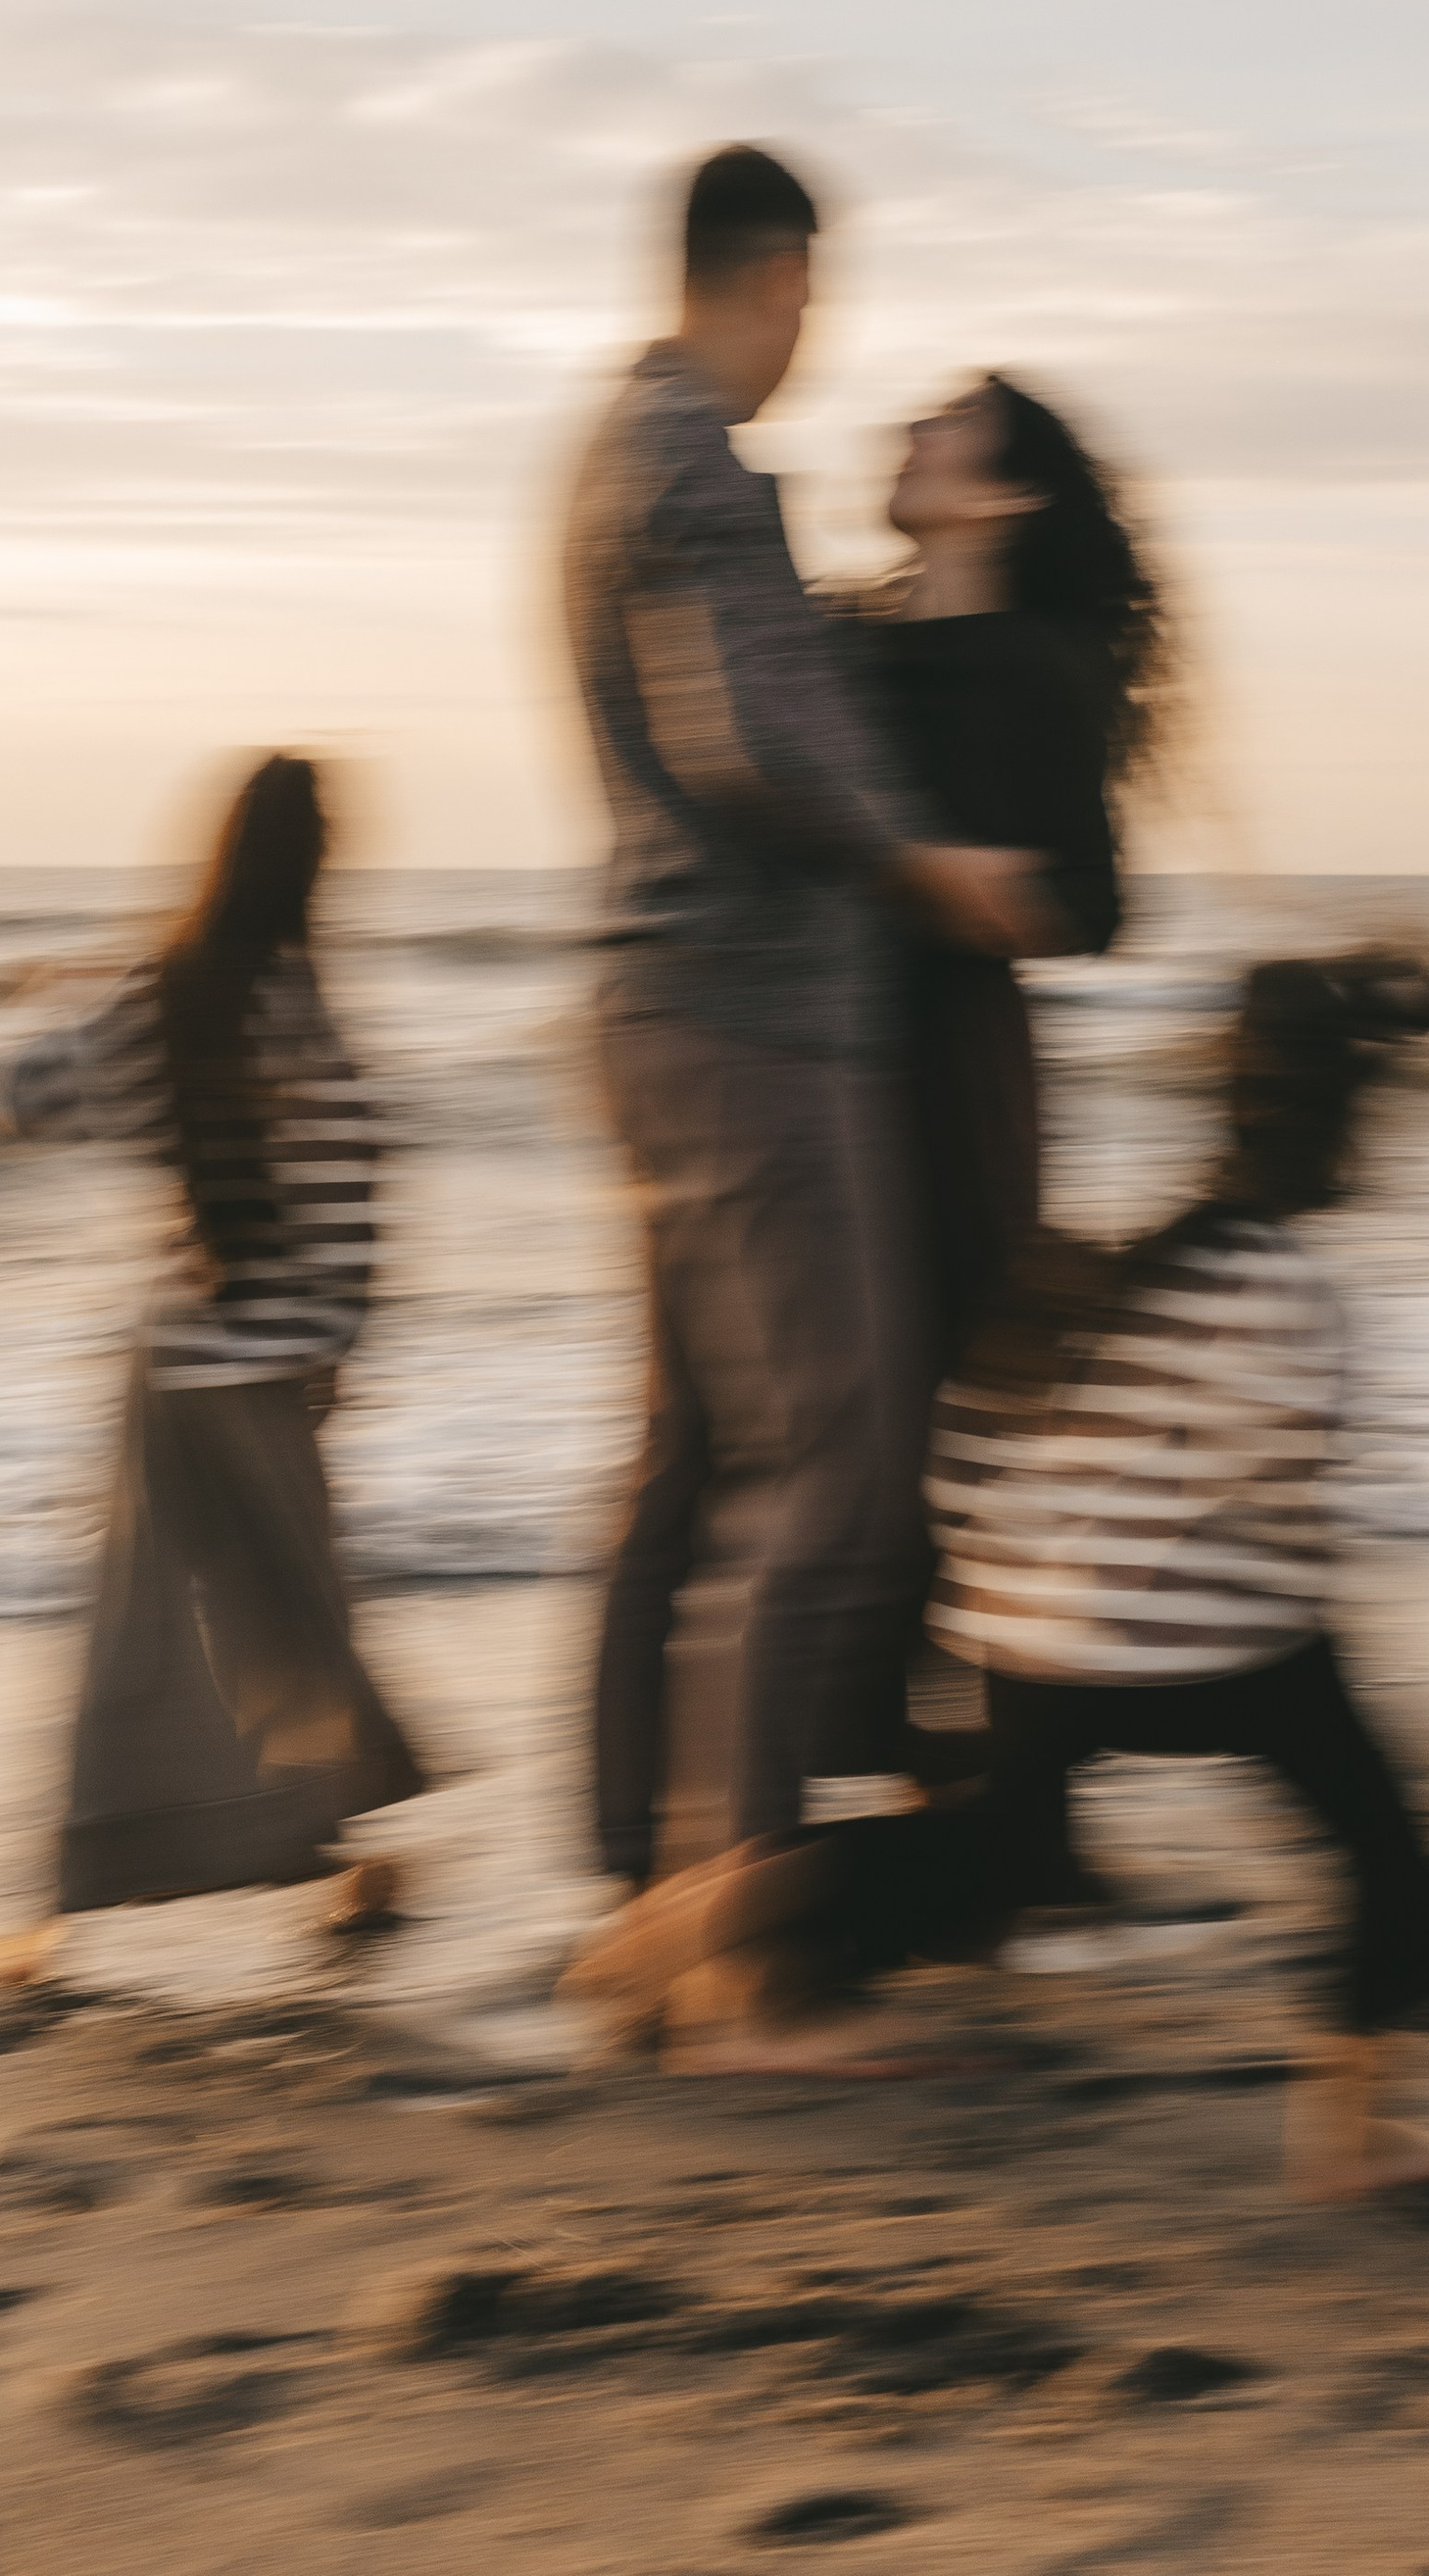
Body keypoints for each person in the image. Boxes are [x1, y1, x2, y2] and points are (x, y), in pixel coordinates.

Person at [565, 952, 1429, 2186]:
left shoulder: (1106, 1272)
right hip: (1207, 1647)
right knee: (1387, 1853)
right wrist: (1279, 1619)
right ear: (1348, 1130)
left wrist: (985, 1623)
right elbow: (1274, 1503)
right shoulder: (1286, 1285)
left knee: (984, 1849)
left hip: (1017, 1644)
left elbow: (968, 1457)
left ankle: (676, 1923)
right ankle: (1354, 2136)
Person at [564, 144, 1033, 1919]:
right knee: (829, 1454)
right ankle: (735, 1929)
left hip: (662, 1006)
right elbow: (740, 734)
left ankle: (643, 1873)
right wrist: (929, 864)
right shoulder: (698, 463)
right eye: (816, 294)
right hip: (752, 1018)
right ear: (781, 279)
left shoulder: (613, 446)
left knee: (693, 1461)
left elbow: (743, 700)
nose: (816, 333)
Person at [0, 752, 421, 1987]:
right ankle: (331, 1854)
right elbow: (354, 1203)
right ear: (321, 864)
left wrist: (48, 998)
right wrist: (343, 1349)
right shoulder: (305, 1007)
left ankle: (74, 1904)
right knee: (289, 1619)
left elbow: (5, 1106)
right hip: (278, 1370)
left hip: (183, 1368)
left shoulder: (166, 993)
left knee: (156, 1628)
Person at [857, 372, 1170, 1366]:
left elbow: (1097, 904)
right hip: (815, 1037)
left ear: (1011, 493)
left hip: (950, 1062)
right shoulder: (841, 640)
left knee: (941, 1361)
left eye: (955, 422)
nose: (913, 427)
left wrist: (960, 889)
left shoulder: (1035, 665)